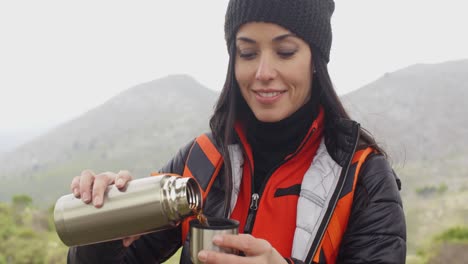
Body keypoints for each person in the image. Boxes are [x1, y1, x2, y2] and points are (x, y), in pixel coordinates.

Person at [67, 0, 406, 263]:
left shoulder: (362, 176)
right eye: (247, 52)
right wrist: (104, 222)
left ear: (316, 61)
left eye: (285, 52)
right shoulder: (198, 162)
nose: (263, 72)